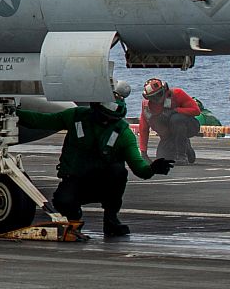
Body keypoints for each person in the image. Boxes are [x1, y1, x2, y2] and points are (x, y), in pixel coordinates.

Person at [18, 81, 173, 238]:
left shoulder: (123, 134)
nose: (106, 121)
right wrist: (12, 113)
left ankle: (111, 219)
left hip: (102, 184)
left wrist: (153, 168)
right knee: (62, 201)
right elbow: (40, 120)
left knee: (118, 172)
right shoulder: (75, 116)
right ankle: (74, 217)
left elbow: (139, 168)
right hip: (76, 180)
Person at [137, 77, 202, 164]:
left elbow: (196, 110)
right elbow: (143, 129)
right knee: (162, 158)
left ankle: (182, 155)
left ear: (164, 90)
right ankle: (185, 147)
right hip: (167, 136)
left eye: (159, 94)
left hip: (188, 126)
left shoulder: (177, 94)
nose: (157, 99)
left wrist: (175, 111)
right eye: (153, 97)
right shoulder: (147, 109)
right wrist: (143, 154)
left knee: (176, 119)